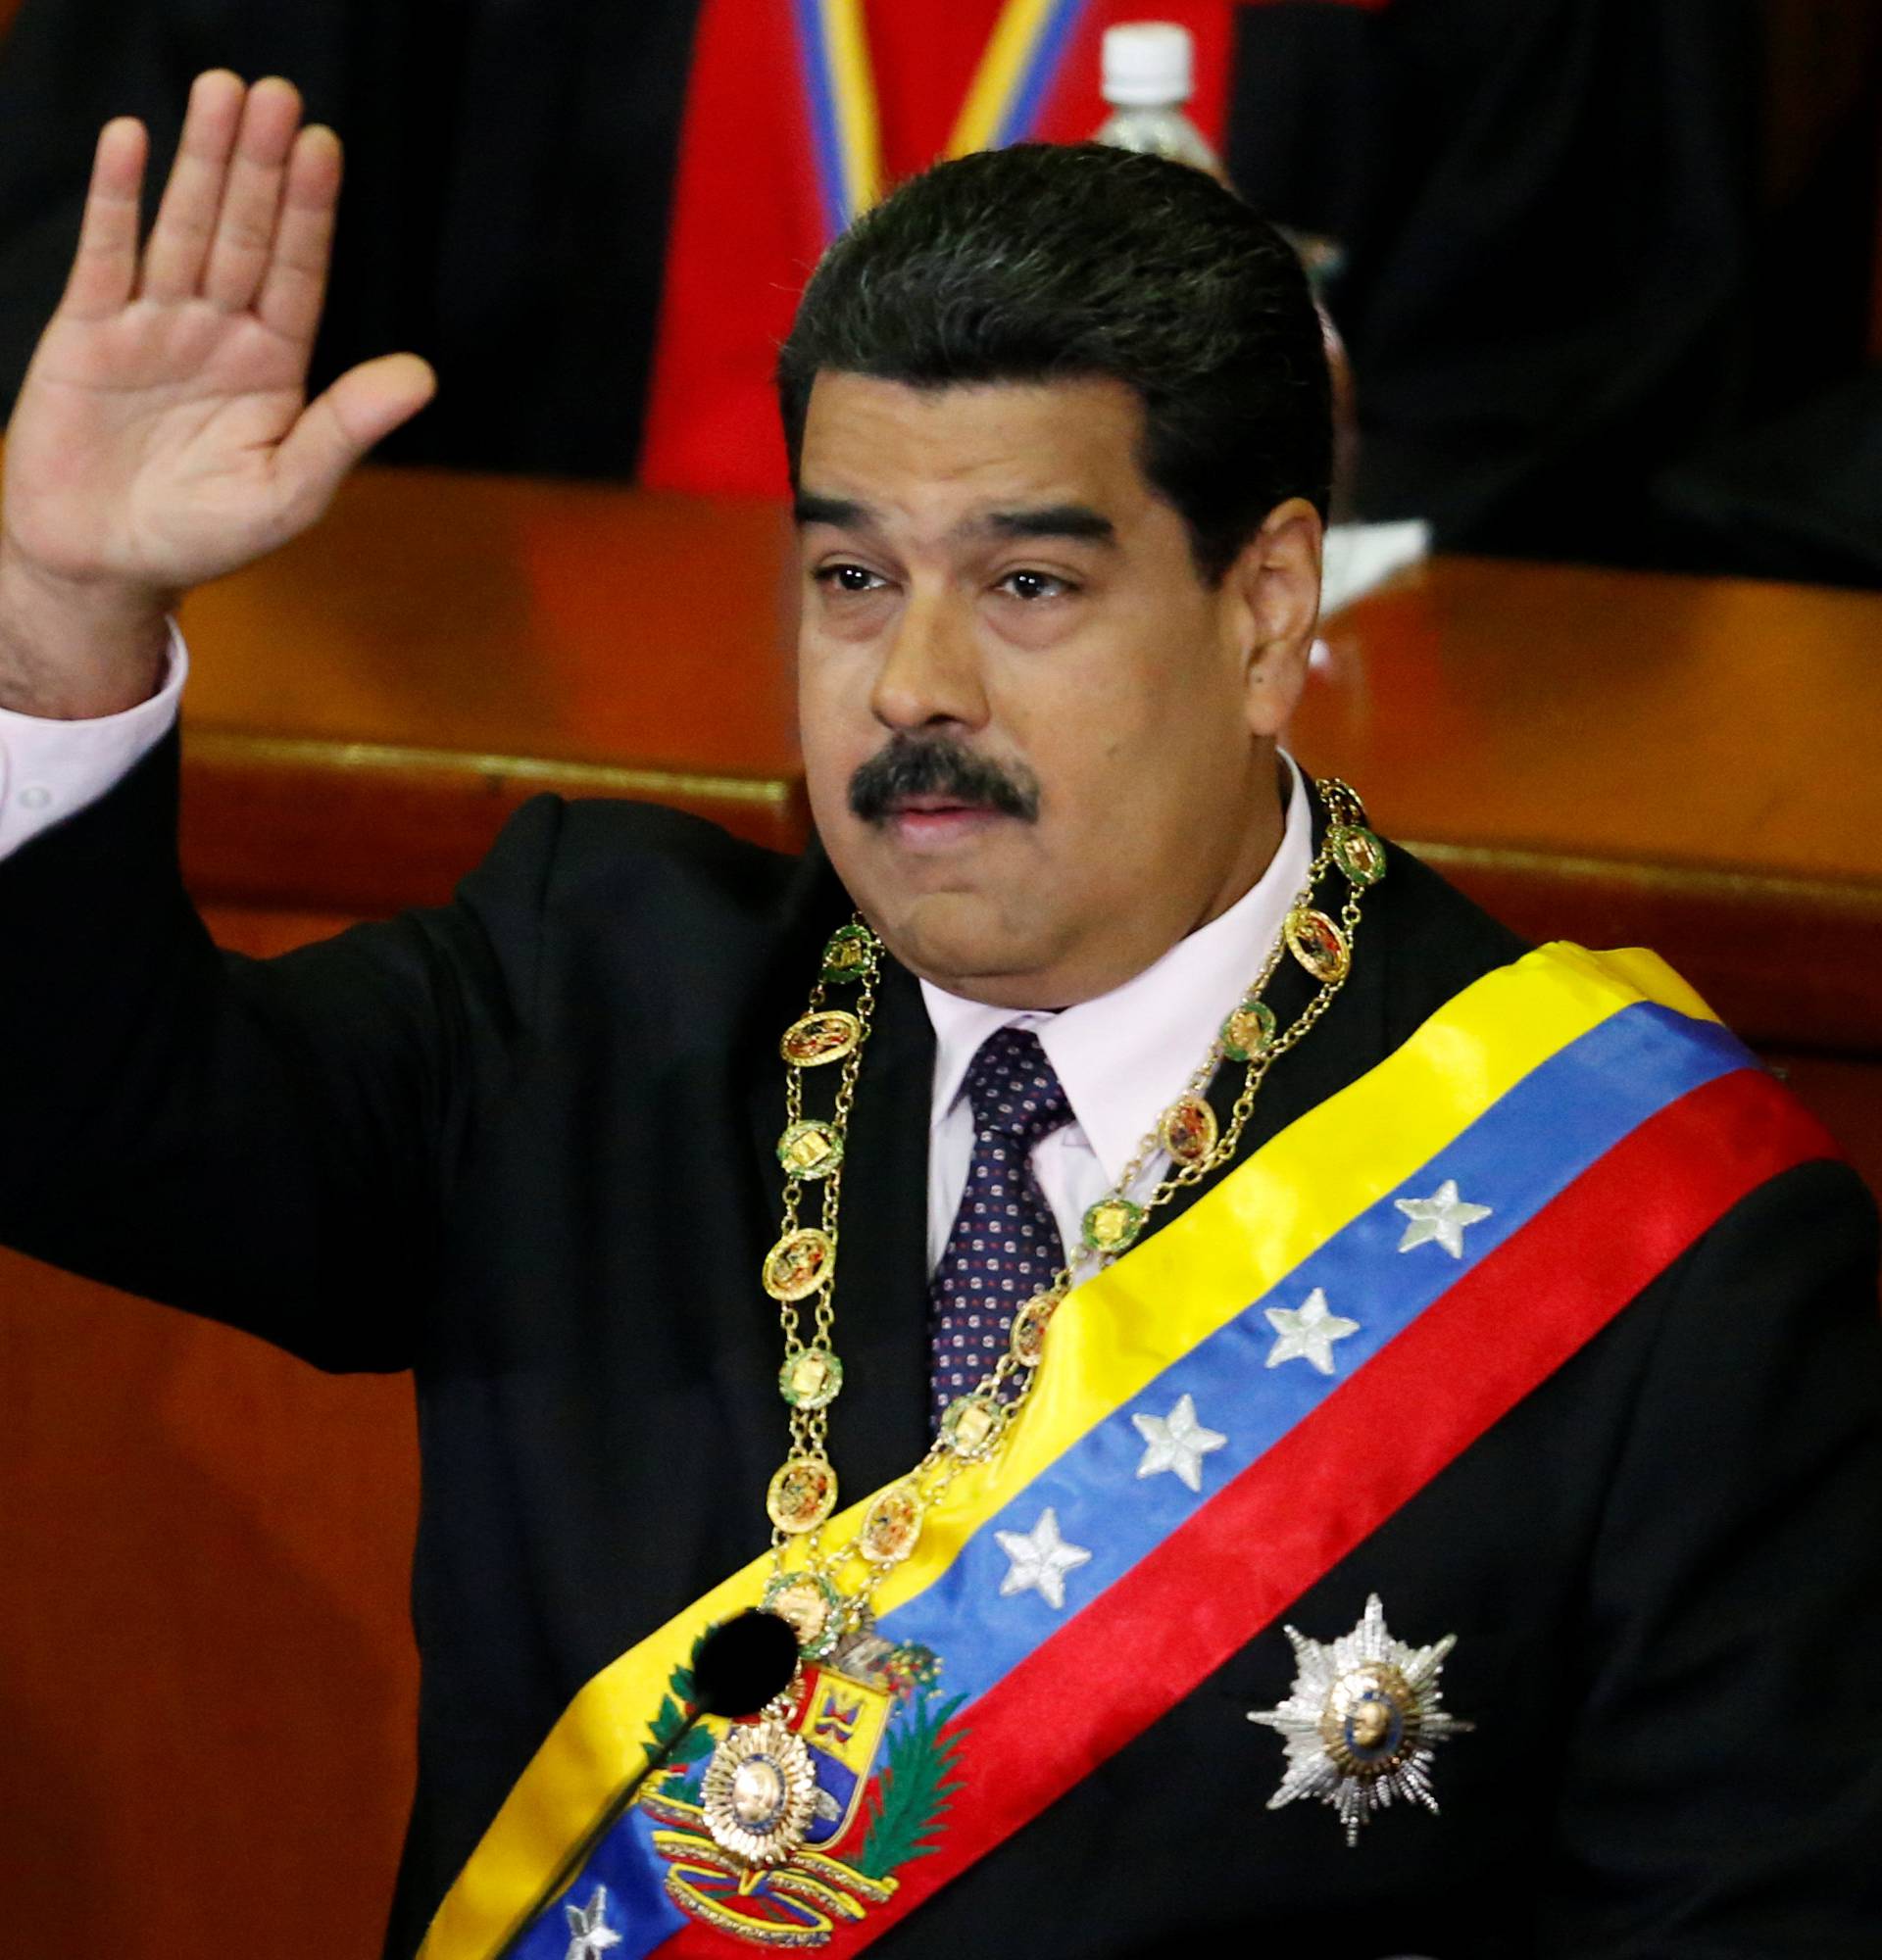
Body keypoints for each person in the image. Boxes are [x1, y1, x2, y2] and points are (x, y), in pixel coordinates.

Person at [1, 69, 1879, 1960]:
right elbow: (89, 1114)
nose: (911, 681)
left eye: (1029, 582)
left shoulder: (1647, 1247)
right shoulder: (590, 1002)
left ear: (1265, 607)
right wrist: (60, 607)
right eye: (850, 577)